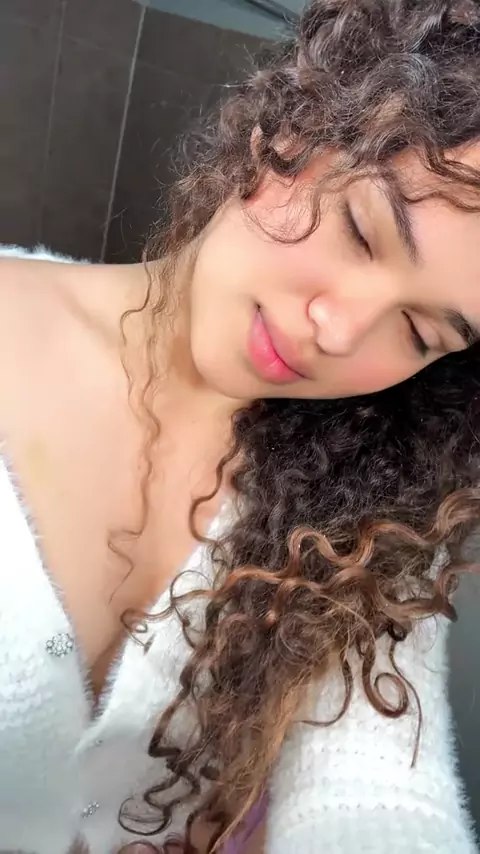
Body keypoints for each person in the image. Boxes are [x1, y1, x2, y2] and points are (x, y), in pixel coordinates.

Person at [2, 0, 480, 852]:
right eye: (362, 231)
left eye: (418, 333)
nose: (339, 332)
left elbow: (378, 794)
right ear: (288, 128)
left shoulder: (379, 509)